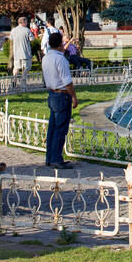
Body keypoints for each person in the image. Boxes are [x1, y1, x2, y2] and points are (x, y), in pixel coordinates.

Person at [42, 31, 78, 169]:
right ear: (60, 45)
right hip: (62, 95)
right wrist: (74, 96)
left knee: (52, 128)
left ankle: (49, 157)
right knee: (60, 129)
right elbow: (67, 81)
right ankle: (56, 158)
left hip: (52, 94)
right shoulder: (60, 59)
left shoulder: (46, 57)